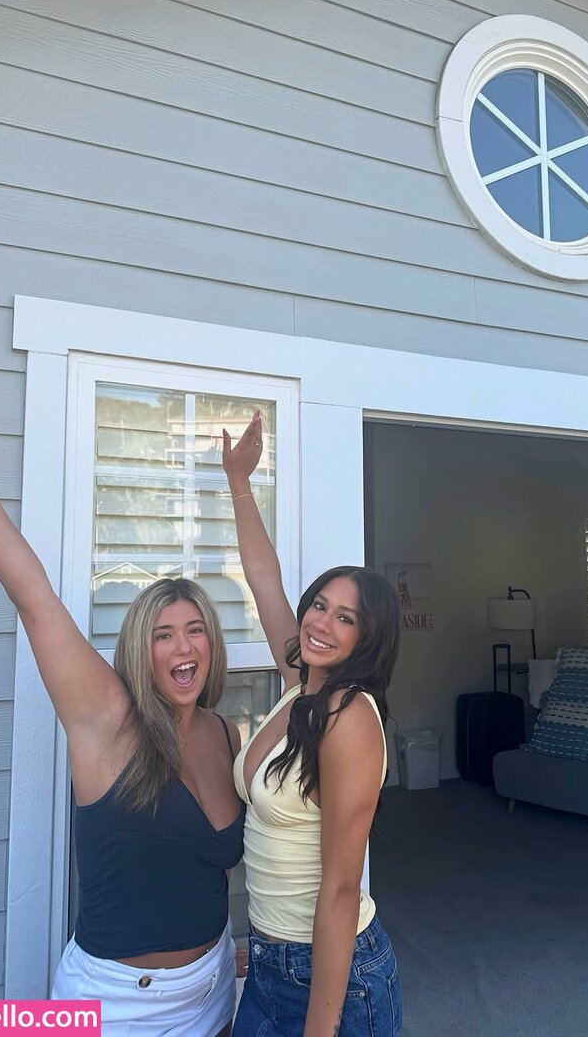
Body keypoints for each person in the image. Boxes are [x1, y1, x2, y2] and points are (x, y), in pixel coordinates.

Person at [0, 440, 244, 1037]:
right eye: (163, 635)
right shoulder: (110, 723)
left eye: (195, 630)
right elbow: (37, 603)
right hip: (117, 1007)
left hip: (213, 989)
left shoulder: (225, 733)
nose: (184, 647)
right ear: (140, 649)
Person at [222, 412, 403, 1037]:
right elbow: (264, 578)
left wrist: (319, 1029)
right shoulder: (300, 683)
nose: (321, 623)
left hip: (335, 978)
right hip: (270, 960)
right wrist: (239, 481)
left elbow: (342, 888)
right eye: (319, 605)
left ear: (368, 638)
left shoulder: (350, 718)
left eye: (345, 618)